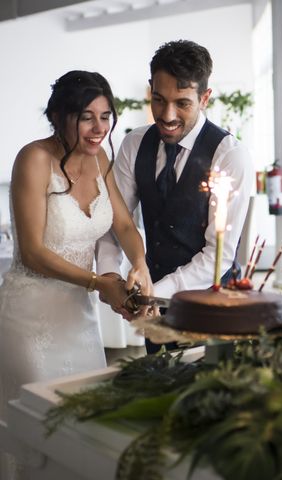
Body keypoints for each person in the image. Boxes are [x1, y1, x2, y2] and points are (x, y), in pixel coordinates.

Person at [0, 71, 153, 479]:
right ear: (58, 116)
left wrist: (138, 262)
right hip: (29, 319)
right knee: (38, 432)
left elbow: (122, 225)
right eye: (86, 117)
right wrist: (96, 282)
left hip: (78, 318)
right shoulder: (33, 158)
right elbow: (32, 252)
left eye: (106, 116)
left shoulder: (100, 158)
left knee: (81, 426)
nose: (98, 128)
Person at [96, 40, 253, 352]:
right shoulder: (134, 144)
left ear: (205, 98)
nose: (167, 115)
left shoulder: (230, 155)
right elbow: (116, 221)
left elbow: (218, 254)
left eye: (182, 103)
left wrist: (156, 290)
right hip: (152, 312)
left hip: (209, 310)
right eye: (159, 99)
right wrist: (110, 276)